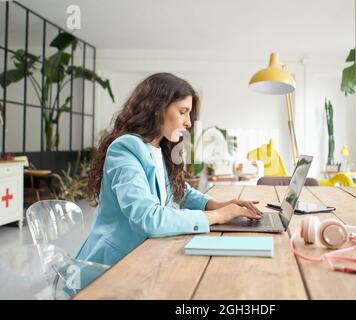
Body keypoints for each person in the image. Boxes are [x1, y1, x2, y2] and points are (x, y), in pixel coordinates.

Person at [75, 73, 262, 269]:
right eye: (183, 112)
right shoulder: (126, 149)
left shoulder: (160, 147)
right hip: (113, 266)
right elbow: (148, 217)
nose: (189, 122)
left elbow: (180, 190)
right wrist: (218, 216)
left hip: (146, 254)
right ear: (157, 109)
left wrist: (217, 205)